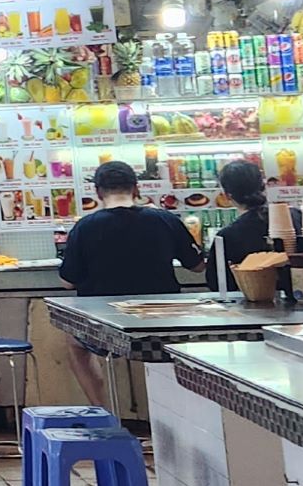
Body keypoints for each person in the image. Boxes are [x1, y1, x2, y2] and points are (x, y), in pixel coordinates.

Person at [58, 159, 202, 408]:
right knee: (173, 347)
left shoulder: (85, 227)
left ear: (98, 192)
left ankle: (104, 409)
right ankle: (175, 410)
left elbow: (67, 282)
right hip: (162, 328)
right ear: (136, 189)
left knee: (74, 343)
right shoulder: (165, 219)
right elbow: (197, 266)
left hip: (107, 330)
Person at [206, 157, 272, 291]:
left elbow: (216, 283)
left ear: (227, 195)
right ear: (264, 186)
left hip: (247, 299)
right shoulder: (291, 217)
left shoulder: (226, 236)